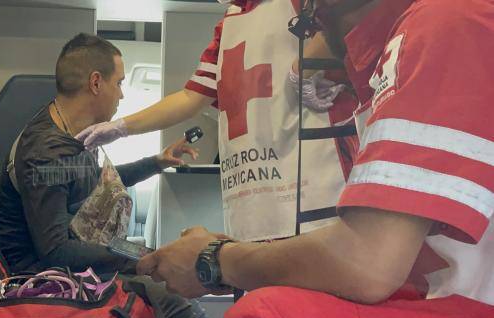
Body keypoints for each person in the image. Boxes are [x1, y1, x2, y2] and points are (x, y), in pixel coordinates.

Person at [136, 0, 494, 318]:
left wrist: (213, 260)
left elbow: (367, 263)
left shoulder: (447, 23)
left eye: (313, 16)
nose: (311, 31)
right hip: (456, 311)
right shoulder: (400, 51)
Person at [0, 33, 225, 318]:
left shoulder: (72, 134)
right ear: (96, 82)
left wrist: (157, 161)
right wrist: (137, 258)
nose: (121, 95)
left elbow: (97, 182)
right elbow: (54, 250)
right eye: (119, 83)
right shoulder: (46, 150)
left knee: (175, 289)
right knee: (169, 298)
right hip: (39, 278)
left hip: (66, 259)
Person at [77, 0, 360, 243]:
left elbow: (359, 17)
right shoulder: (229, 23)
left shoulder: (300, 4)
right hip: (253, 204)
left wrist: (306, 65)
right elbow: (191, 97)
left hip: (314, 192)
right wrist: (121, 127)